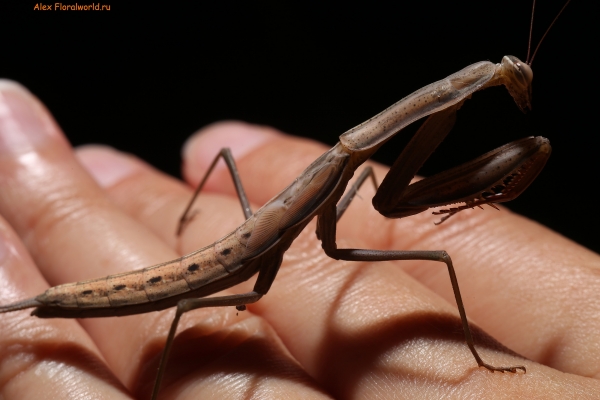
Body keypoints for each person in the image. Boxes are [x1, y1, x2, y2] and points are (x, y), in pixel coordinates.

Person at [0, 80, 598, 399]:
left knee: (348, 175)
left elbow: (376, 196)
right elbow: (366, 221)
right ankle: (476, 359)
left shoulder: (348, 156)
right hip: (199, 277)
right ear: (454, 96)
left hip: (244, 249)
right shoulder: (351, 157)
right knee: (184, 298)